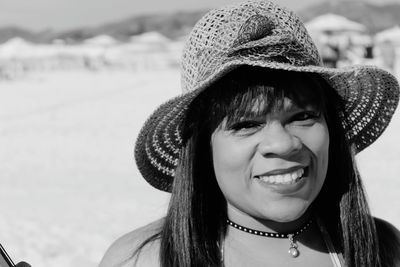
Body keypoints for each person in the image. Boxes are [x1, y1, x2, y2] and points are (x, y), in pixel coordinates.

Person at [99, 1, 400, 266]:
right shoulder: (143, 260)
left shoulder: (385, 250)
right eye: (245, 125)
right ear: (203, 146)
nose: (282, 144)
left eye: (304, 116)